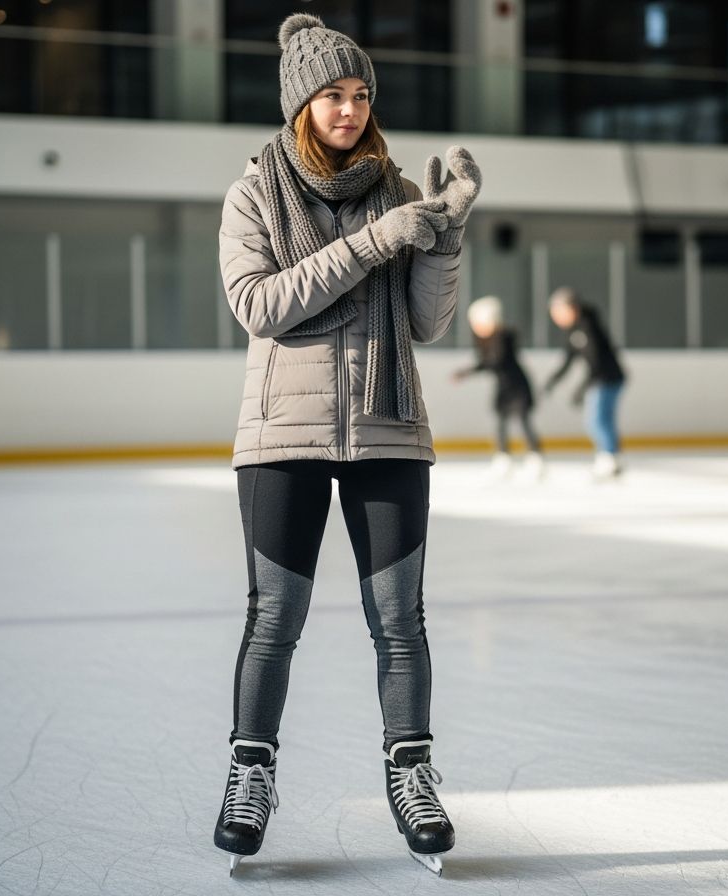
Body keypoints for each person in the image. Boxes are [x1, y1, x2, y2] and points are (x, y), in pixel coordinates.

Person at [214, 13, 480, 877]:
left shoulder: (399, 192)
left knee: (400, 621)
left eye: (361, 94)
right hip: (281, 436)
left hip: (388, 428)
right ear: (302, 104)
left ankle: (412, 775)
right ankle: (250, 774)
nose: (350, 109)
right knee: (274, 619)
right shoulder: (255, 193)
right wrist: (373, 244)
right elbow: (260, 305)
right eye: (333, 94)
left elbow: (427, 322)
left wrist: (446, 231)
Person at [453, 295, 543, 478]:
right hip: (503, 387)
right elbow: (487, 361)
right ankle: (504, 458)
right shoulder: (484, 340)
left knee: (523, 421)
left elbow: (496, 361)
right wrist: (467, 372)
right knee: (500, 422)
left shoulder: (504, 337)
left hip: (517, 386)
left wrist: (469, 371)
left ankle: (536, 459)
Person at [544, 287, 628, 478]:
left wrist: (581, 389)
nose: (556, 317)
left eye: (558, 312)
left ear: (572, 308)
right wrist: (553, 381)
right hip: (601, 379)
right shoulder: (575, 330)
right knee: (601, 420)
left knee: (598, 420)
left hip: (607, 378)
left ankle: (610, 457)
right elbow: (568, 360)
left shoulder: (587, 327)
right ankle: (610, 457)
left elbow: (596, 360)